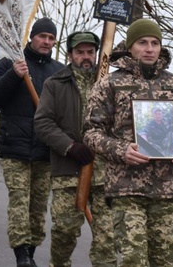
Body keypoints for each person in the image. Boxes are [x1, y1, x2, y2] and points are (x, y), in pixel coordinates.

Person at [82, 18, 173, 267]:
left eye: (155, 43)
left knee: (163, 260)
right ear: (130, 46)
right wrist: (121, 150)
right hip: (126, 186)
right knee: (134, 259)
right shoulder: (110, 84)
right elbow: (90, 132)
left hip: (167, 187)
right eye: (142, 43)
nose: (149, 49)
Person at [0, 17, 64, 267]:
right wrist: (14, 75)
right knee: (19, 201)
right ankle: (21, 255)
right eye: (42, 36)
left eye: (51, 38)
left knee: (38, 209)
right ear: (32, 37)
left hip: (45, 150)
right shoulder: (9, 63)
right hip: (15, 147)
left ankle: (31, 251)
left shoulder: (60, 72)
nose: (46, 42)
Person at [34, 31, 117, 267]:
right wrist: (69, 147)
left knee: (108, 236)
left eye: (90, 52)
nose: (86, 56)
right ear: (70, 55)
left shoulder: (110, 84)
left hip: (106, 174)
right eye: (80, 52)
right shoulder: (55, 84)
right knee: (65, 230)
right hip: (69, 171)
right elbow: (43, 123)